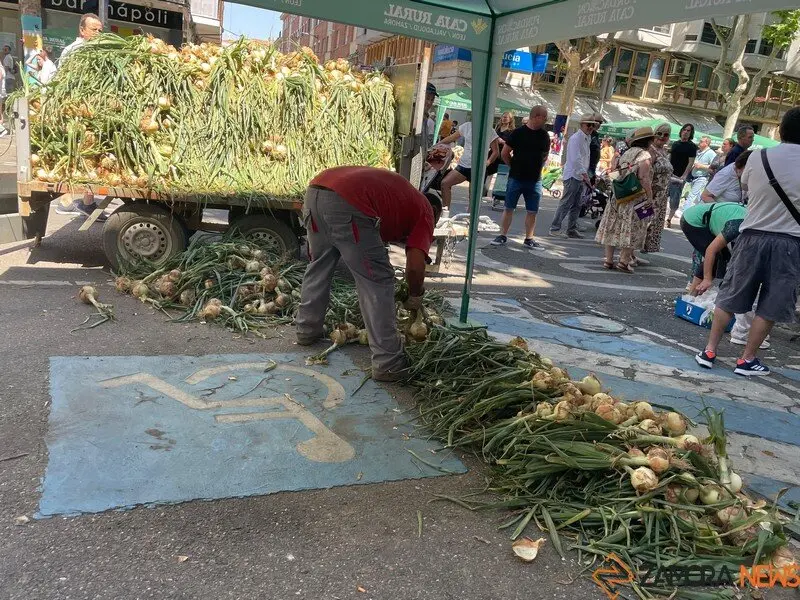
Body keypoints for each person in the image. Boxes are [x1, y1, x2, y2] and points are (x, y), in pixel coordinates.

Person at [295, 166, 440, 381]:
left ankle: (306, 330)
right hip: (347, 203)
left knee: (319, 267)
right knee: (377, 281)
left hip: (315, 192)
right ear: (436, 213)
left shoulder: (403, 197)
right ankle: (388, 363)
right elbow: (415, 266)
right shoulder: (426, 211)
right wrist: (415, 295)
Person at [695, 107, 800, 376]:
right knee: (772, 302)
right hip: (789, 243)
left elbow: (746, 190)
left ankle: (709, 351)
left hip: (750, 235)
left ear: (781, 130)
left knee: (731, 295)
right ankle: (747, 359)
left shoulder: (758, 157)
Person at [54, 13, 107, 220]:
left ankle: (87, 203)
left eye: (100, 30)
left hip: (92, 112)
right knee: (74, 154)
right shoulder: (73, 51)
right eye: (94, 29)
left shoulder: (99, 50)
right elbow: (62, 82)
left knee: (91, 156)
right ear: (82, 30)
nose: (98, 33)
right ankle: (65, 201)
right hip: (75, 112)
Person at [596, 126, 656, 273]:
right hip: (635, 197)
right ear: (649, 141)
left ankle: (609, 260)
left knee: (613, 225)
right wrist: (650, 197)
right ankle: (624, 261)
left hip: (619, 195)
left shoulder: (627, 152)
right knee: (634, 228)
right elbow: (644, 178)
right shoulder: (644, 156)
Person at [489, 105, 550, 249]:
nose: (546, 120)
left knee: (532, 210)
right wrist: (513, 166)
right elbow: (505, 153)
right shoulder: (518, 133)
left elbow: (546, 154)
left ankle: (529, 238)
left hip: (535, 179)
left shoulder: (544, 135)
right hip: (516, 177)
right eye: (544, 117)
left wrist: (537, 166)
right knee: (509, 207)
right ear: (536, 116)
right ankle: (502, 235)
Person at [437, 120, 500, 219]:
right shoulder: (467, 126)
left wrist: (487, 162)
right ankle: (445, 214)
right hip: (463, 166)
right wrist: (438, 144)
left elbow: (496, 152)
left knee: (473, 197)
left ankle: (470, 221)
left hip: (478, 168)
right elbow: (451, 138)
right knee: (445, 183)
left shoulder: (490, 131)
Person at [549, 114, 597, 238]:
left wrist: (585, 175)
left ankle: (571, 228)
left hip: (579, 175)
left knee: (577, 204)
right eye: (588, 125)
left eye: (593, 125)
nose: (591, 127)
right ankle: (555, 228)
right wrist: (585, 175)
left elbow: (583, 158)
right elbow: (576, 159)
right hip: (573, 175)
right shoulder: (576, 138)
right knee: (566, 203)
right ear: (582, 125)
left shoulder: (587, 137)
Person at [642, 123, 675, 255]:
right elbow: (646, 173)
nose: (661, 137)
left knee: (652, 224)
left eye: (665, 134)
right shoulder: (650, 150)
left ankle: (634, 252)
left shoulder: (664, 151)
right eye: (659, 133)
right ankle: (629, 254)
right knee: (643, 222)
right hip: (651, 192)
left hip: (661, 195)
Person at [666, 123, 697, 226]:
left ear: (691, 133)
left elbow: (691, 162)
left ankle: (669, 219)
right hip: (670, 173)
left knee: (675, 198)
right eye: (684, 130)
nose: (686, 132)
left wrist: (684, 175)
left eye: (688, 131)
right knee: (663, 195)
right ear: (681, 131)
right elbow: (670, 157)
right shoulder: (675, 144)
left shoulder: (692, 146)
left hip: (679, 176)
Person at [484, 111, 516, 197]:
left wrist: (502, 141)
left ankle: (497, 195)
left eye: (506, 117)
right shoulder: (497, 128)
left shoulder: (512, 131)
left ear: (510, 120)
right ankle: (484, 192)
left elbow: (512, 145)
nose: (504, 119)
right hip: (493, 153)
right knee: (487, 171)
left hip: (503, 155)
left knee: (501, 175)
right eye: (503, 117)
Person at [683, 136, 716, 211]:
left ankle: (684, 212)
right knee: (697, 197)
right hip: (693, 177)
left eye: (701, 141)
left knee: (691, 195)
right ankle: (698, 210)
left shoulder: (711, 153)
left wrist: (701, 166)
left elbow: (713, 167)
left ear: (706, 143)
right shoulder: (698, 152)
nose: (699, 143)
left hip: (702, 177)